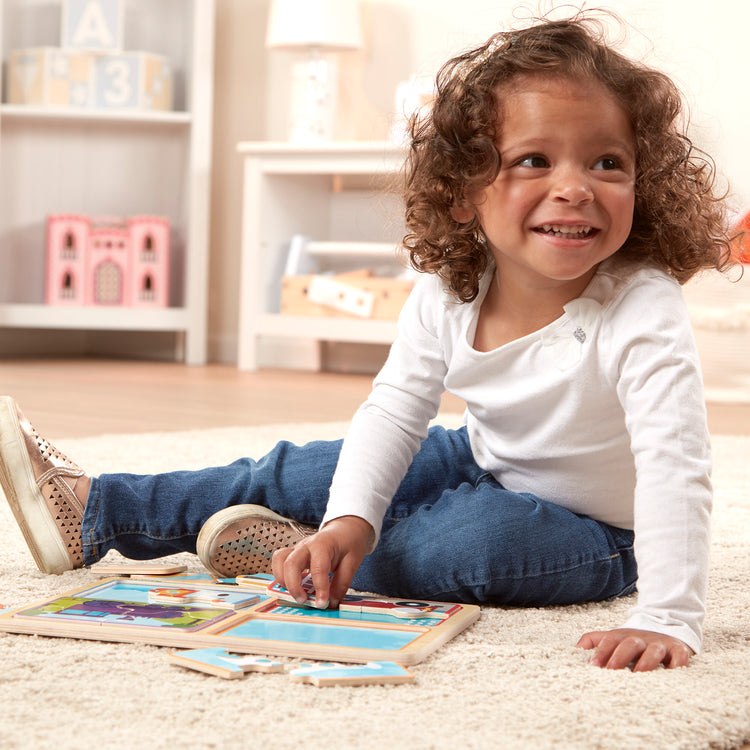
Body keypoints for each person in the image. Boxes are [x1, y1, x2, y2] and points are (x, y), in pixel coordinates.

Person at [0, 11, 735, 673]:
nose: (576, 186)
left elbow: (676, 465)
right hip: (482, 454)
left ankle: (293, 555)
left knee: (464, 545)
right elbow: (395, 410)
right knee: (304, 469)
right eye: (533, 161)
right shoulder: (454, 288)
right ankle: (99, 511)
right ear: (463, 190)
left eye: (608, 162)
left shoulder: (642, 306)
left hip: (600, 531)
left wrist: (669, 615)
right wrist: (353, 515)